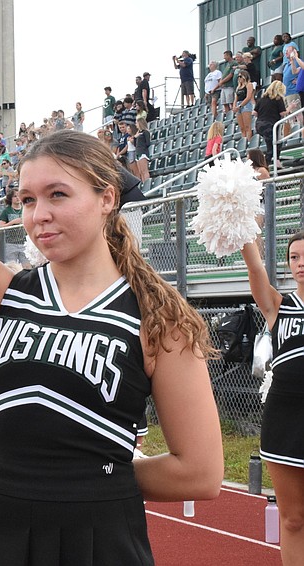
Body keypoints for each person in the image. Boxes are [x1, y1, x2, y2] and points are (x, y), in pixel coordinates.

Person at [0, 129, 224, 564]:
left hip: (97, 535)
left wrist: (94, 476)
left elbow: (200, 472)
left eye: (58, 194)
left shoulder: (159, 316)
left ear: (107, 198)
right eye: (27, 199)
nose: (38, 214)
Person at [242, 232, 304, 564]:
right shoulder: (279, 306)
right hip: (286, 420)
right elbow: (255, 268)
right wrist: (240, 227)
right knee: (293, 518)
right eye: (294, 257)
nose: (301, 263)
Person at [253, 80, 288, 166]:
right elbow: (282, 113)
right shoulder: (278, 99)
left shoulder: (262, 99)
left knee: (275, 143)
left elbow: (254, 112)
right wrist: (290, 107)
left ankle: (276, 162)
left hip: (259, 125)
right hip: (270, 125)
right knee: (272, 147)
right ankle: (266, 165)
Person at [0, 188, 30, 268]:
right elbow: (1, 226)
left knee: (28, 267)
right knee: (12, 268)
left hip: (24, 243)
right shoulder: (6, 211)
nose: (17, 198)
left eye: (19, 196)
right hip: (10, 243)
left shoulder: (25, 209)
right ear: (10, 198)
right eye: (15, 196)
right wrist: (13, 222)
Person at [234, 70, 256, 143]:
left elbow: (248, 97)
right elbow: (236, 98)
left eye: (240, 76)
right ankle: (244, 141)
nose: (239, 78)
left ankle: (249, 141)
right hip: (239, 104)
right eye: (238, 77)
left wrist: (240, 106)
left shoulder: (249, 85)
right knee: (242, 127)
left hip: (246, 104)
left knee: (247, 126)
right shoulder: (238, 87)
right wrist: (235, 106)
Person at [132, 117, 152, 182]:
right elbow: (135, 144)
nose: (136, 125)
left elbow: (148, 143)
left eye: (137, 123)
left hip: (143, 152)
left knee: (144, 170)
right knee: (140, 172)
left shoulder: (145, 132)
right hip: (138, 152)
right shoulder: (138, 133)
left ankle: (147, 183)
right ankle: (143, 182)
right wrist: (135, 137)